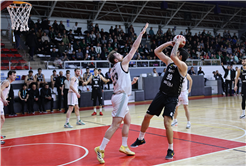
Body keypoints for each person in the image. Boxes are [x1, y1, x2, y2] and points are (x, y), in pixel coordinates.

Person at [94, 23, 148, 164]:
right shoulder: (122, 63)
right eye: (118, 54)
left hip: (120, 95)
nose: (120, 54)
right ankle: (101, 148)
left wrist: (130, 84)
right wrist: (141, 34)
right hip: (121, 97)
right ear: (116, 59)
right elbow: (134, 48)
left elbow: (119, 84)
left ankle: (124, 145)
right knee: (115, 125)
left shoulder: (113, 69)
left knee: (128, 121)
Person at [131, 36, 189, 160]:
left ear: (180, 56)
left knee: (167, 123)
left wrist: (177, 43)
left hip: (172, 98)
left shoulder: (183, 66)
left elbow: (173, 56)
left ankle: (171, 149)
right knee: (147, 116)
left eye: (177, 51)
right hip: (161, 94)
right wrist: (170, 42)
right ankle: (141, 138)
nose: (175, 51)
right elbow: (157, 51)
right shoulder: (170, 62)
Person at [0, 70, 17, 144]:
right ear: (9, 75)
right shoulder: (6, 82)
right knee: (2, 119)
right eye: (13, 75)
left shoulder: (8, 83)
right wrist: (3, 99)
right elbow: (0, 89)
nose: (15, 76)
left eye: (15, 75)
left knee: (1, 119)